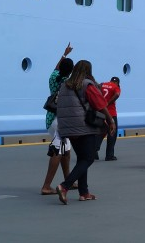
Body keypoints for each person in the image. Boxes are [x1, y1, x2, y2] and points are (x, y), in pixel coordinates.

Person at [54, 59, 115, 204]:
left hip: (67, 127)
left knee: (82, 158)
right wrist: (110, 120)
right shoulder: (87, 84)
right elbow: (99, 104)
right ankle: (64, 186)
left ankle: (84, 192)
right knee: (88, 158)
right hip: (84, 127)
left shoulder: (65, 85)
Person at [40, 43, 73, 195]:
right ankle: (46, 186)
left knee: (66, 150)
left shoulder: (53, 78)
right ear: (71, 71)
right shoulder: (69, 83)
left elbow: (56, 69)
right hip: (61, 120)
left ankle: (68, 180)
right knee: (58, 151)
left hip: (51, 118)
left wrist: (64, 54)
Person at [99, 75, 121, 161]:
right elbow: (117, 94)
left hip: (100, 111)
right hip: (111, 113)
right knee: (112, 133)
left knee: (99, 132)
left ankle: (93, 152)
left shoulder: (102, 84)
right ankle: (109, 155)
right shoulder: (116, 87)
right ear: (117, 83)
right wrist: (108, 103)